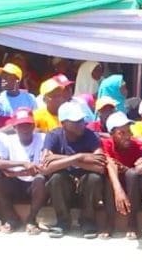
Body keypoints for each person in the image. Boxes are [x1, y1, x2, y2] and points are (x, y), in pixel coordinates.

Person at [40, 101, 107, 239]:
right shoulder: (54, 135)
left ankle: (88, 220)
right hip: (65, 184)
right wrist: (78, 157)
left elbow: (100, 166)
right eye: (76, 121)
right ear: (63, 123)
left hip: (85, 184)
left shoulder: (90, 135)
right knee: (56, 178)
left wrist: (62, 159)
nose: (81, 124)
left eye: (82, 120)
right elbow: (45, 167)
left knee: (94, 178)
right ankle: (63, 221)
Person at [0, 107, 48, 235]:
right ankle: (11, 217)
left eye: (28, 125)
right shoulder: (9, 141)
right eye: (21, 125)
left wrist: (13, 172)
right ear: (14, 128)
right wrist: (22, 164)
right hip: (15, 183)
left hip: (35, 184)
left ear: (33, 125)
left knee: (41, 179)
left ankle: (31, 219)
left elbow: (44, 166)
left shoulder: (43, 138)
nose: (25, 129)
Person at [102, 112, 142, 239]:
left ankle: (132, 223)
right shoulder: (106, 144)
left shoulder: (138, 146)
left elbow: (140, 168)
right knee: (109, 177)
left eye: (128, 131)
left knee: (132, 174)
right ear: (112, 135)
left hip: (133, 187)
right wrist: (119, 191)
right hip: (112, 187)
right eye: (122, 133)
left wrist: (126, 169)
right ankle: (109, 222)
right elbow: (109, 164)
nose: (127, 136)